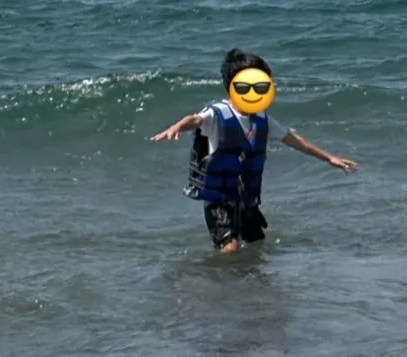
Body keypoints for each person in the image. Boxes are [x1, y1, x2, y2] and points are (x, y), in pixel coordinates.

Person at [152, 48, 358, 252]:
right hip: (219, 200)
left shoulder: (261, 119)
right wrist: (177, 126)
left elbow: (295, 140)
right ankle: (219, 281)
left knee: (257, 245)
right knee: (231, 249)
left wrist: (329, 158)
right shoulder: (218, 113)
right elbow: (196, 120)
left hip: (246, 198)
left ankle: (247, 282)